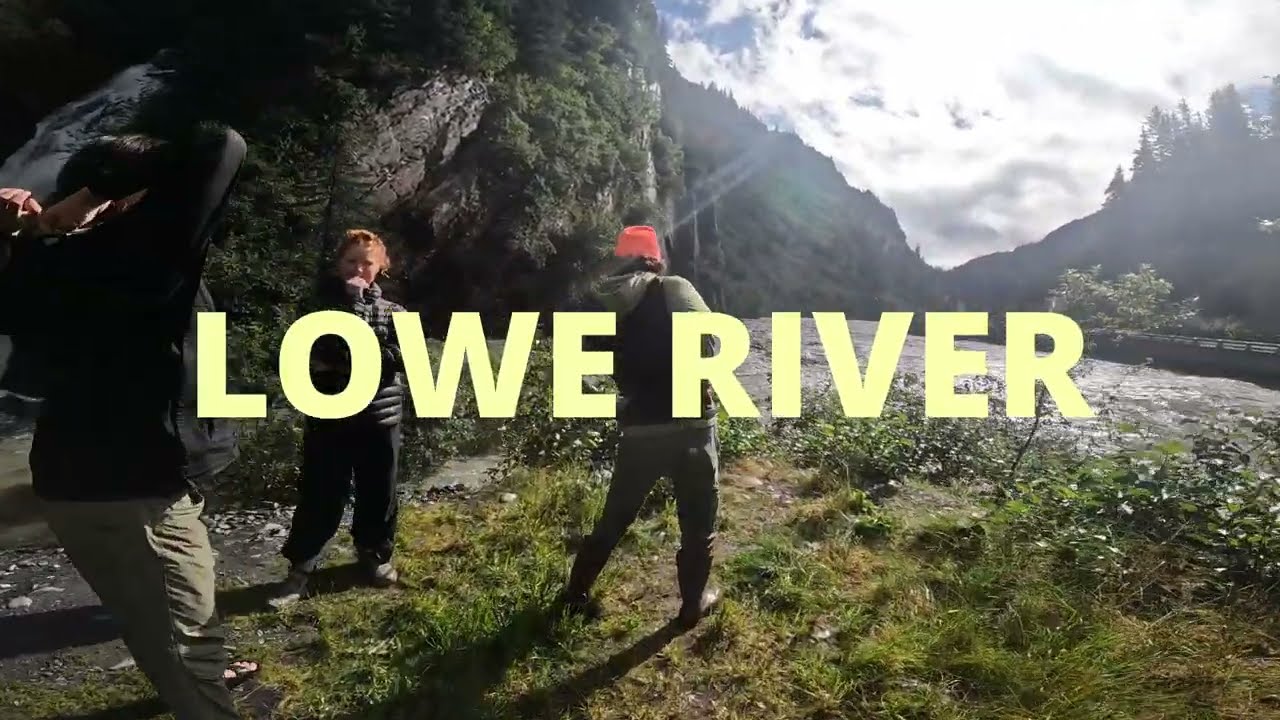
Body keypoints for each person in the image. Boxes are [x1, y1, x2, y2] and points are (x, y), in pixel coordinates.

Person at [0, 126, 256, 719]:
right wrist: (94, 195)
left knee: (160, 618)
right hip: (132, 485)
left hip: (86, 477)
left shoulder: (40, 262)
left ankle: (194, 671)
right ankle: (200, 684)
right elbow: (221, 144)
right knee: (184, 638)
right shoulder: (134, 256)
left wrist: (35, 228)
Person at [557, 225, 723, 630]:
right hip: (690, 425)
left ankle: (575, 594)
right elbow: (712, 343)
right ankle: (691, 605)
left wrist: (619, 399)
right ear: (655, 258)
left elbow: (576, 362)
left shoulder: (598, 303)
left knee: (615, 517)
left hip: (639, 427)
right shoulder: (673, 288)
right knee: (698, 519)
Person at [269, 228, 407, 609]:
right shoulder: (317, 309)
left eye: (368, 262)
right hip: (329, 414)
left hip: (381, 416)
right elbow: (315, 351)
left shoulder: (397, 312)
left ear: (381, 267)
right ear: (338, 265)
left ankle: (375, 555)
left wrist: (353, 358)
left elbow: (403, 357)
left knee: (379, 490)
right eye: (351, 261)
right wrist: (354, 321)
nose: (359, 269)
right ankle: (301, 566)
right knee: (321, 490)